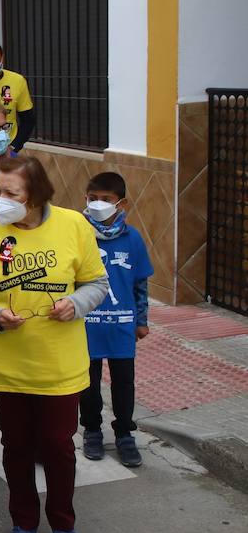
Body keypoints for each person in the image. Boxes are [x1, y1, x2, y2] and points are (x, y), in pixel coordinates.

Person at [0, 156, 109, 533]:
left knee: (59, 447)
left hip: (61, 365)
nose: (0, 200)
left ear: (36, 195)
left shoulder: (74, 226)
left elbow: (98, 283)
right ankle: (23, 524)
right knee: (16, 447)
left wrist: (75, 303)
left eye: (11, 193)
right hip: (7, 366)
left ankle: (64, 526)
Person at [80, 172, 153, 468]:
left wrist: (141, 319)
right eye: (92, 198)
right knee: (88, 383)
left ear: (121, 203)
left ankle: (124, 433)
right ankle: (92, 431)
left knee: (124, 382)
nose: (98, 204)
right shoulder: (78, 233)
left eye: (106, 199)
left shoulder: (132, 238)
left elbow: (139, 284)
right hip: (86, 326)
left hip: (122, 325)